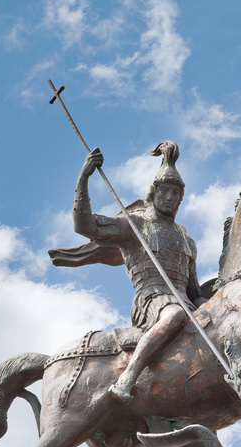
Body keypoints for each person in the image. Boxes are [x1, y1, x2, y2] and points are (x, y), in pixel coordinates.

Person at [50, 141, 202, 403]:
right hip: (152, 299)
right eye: (164, 191)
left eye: (175, 194)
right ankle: (128, 377)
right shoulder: (135, 225)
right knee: (174, 314)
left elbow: (193, 291)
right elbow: (85, 226)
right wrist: (84, 178)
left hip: (183, 302)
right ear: (153, 194)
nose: (169, 198)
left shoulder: (186, 239)